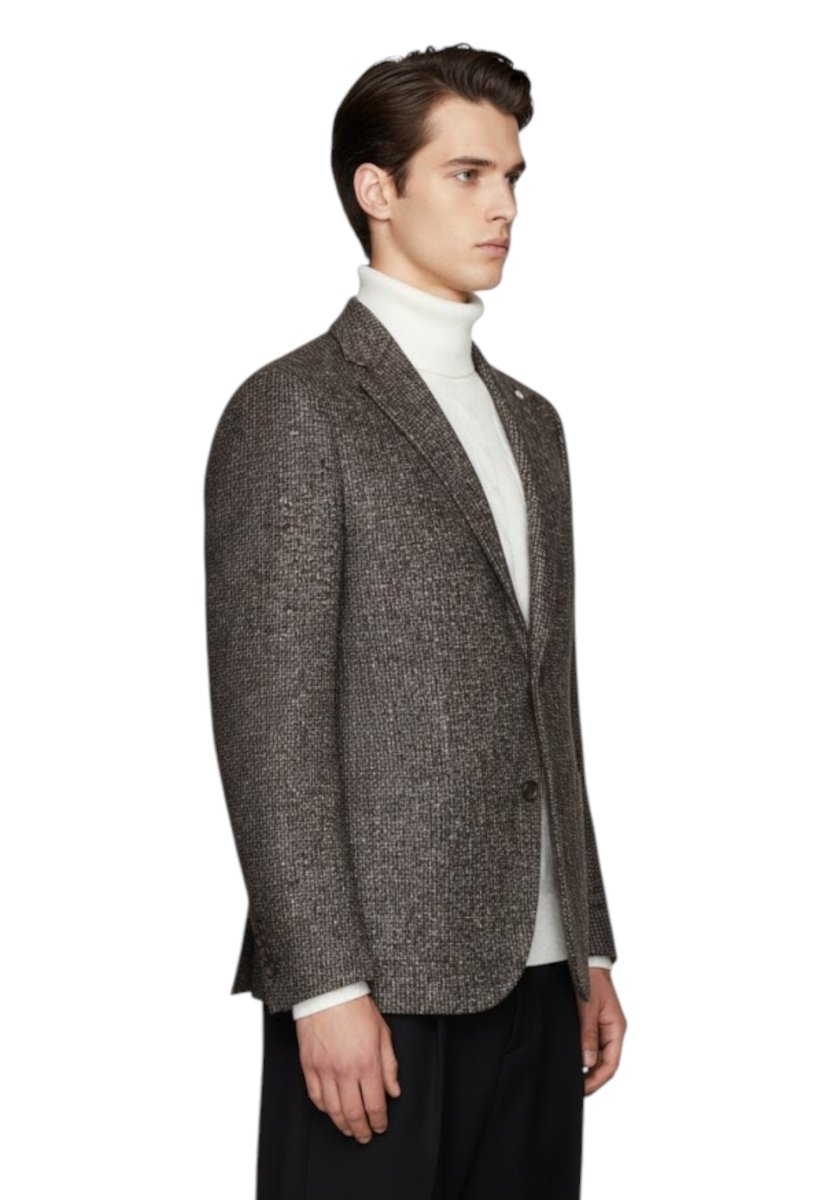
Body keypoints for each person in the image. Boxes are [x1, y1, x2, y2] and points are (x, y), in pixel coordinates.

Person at [204, 42, 627, 1199]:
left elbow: (550, 698)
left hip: (540, 978)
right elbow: (270, 725)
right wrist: (323, 983)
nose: (504, 208)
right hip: (377, 981)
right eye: (468, 174)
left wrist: (586, 941)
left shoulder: (533, 424)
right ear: (376, 189)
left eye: (514, 178)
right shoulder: (296, 410)